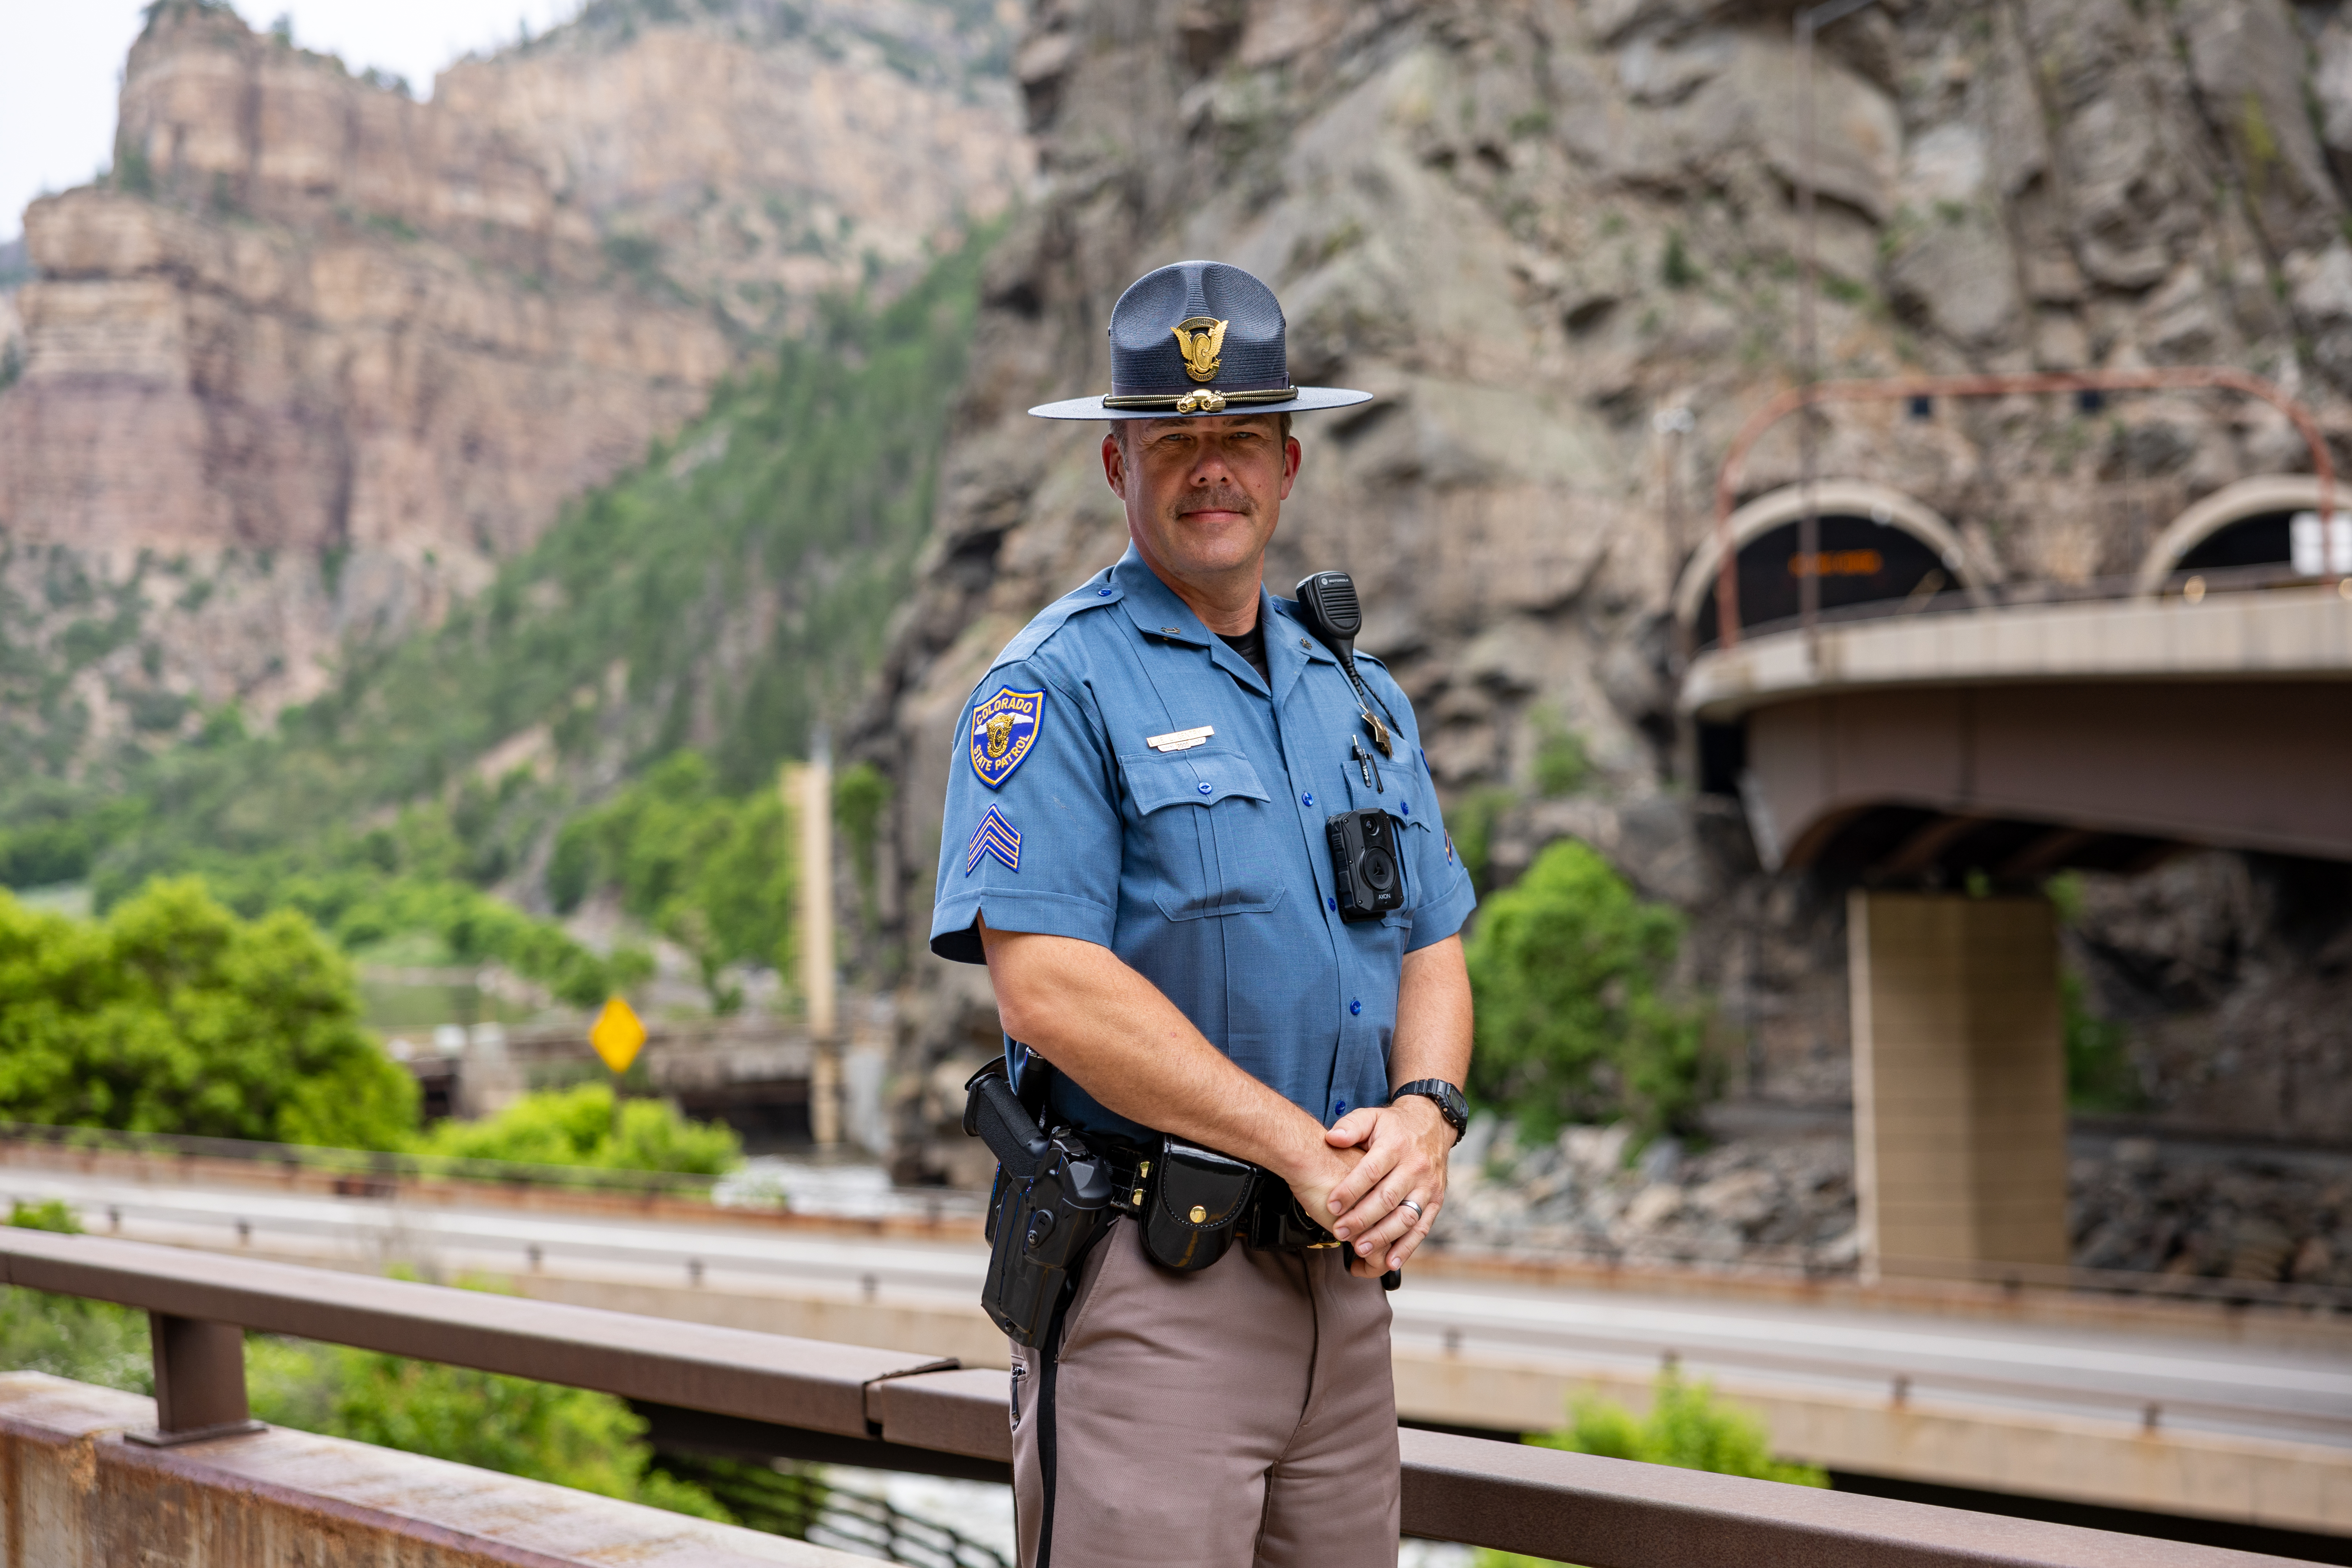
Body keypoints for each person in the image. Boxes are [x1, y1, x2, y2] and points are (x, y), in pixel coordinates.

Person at [929, 260, 1475, 1567]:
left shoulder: (1362, 698)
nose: (1209, 465)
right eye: (1175, 438)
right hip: (1152, 1294)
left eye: (1238, 437)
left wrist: (1427, 1116)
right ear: (1117, 468)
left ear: (1287, 465)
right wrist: (1296, 1145)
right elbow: (1045, 989)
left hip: (1344, 1313)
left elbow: (1435, 950)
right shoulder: (1052, 689)